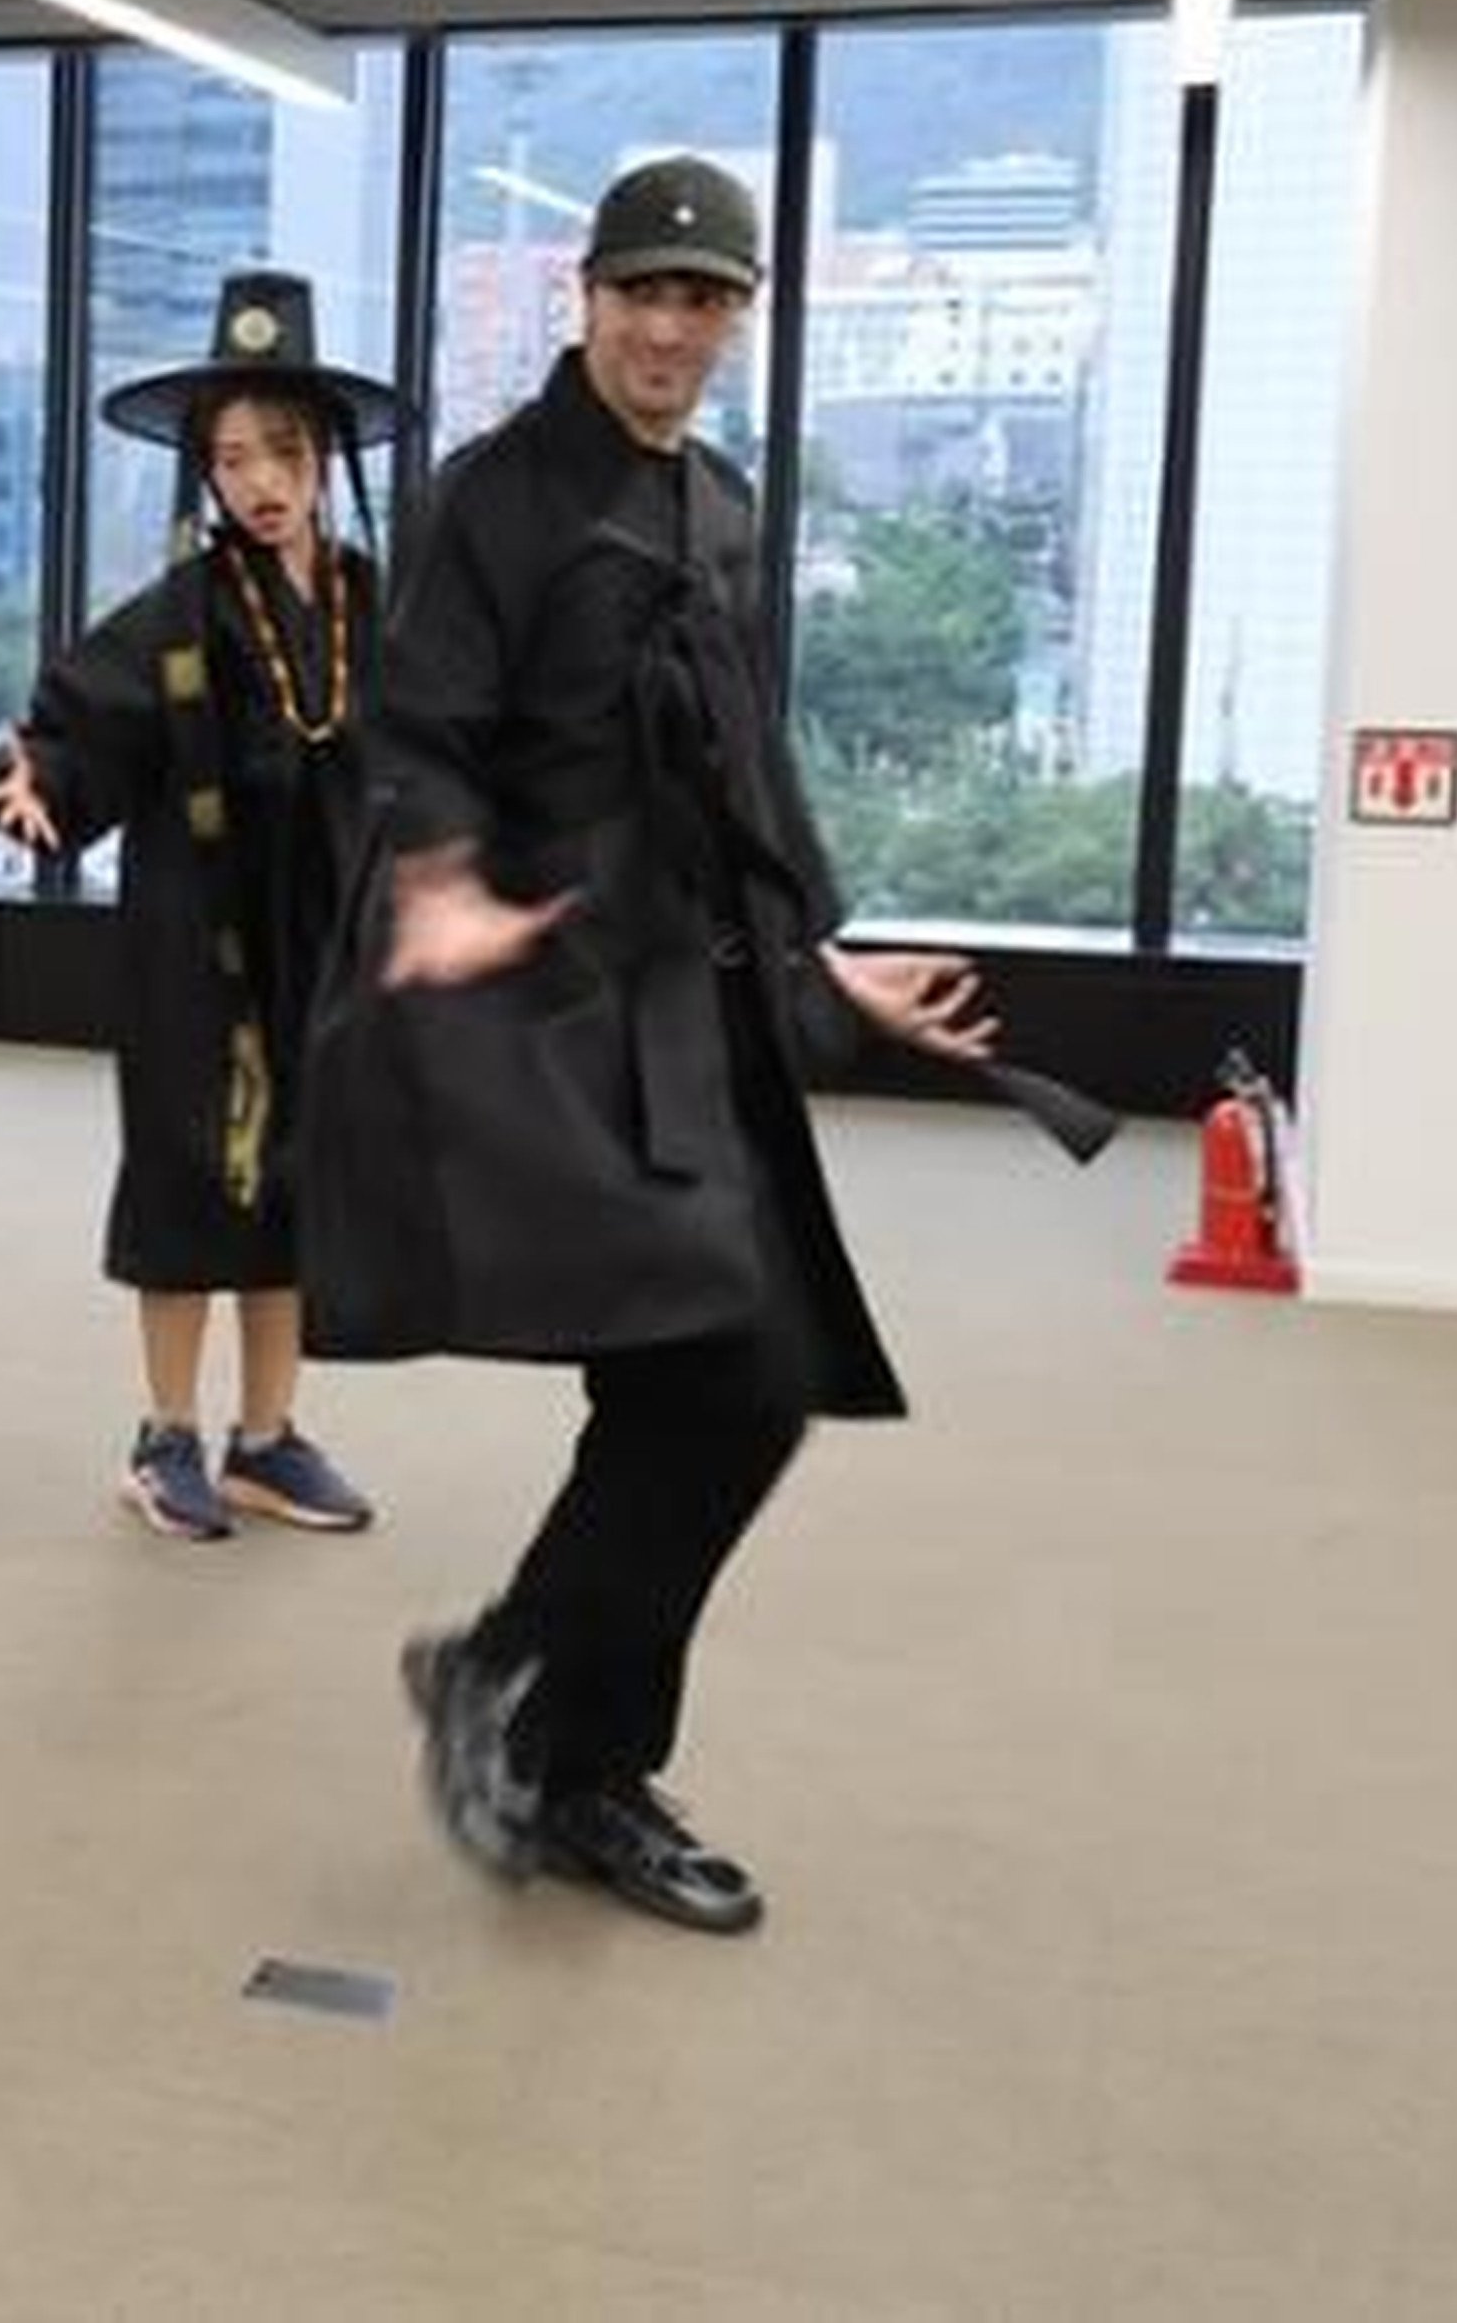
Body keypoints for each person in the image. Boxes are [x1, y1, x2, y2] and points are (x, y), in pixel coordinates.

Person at [298, 156, 1007, 1937]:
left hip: (701, 1006)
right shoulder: (496, 501)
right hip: (555, 1012)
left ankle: (556, 1734)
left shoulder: (724, 502)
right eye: (643, 294)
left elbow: (742, 760)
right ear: (586, 297)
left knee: (728, 1385)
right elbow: (413, 732)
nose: (671, 329)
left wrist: (828, 960)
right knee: (723, 1376)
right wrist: (444, 881)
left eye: (706, 301)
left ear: (740, 319)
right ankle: (542, 1704)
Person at [0, 271, 402, 1543]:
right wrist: (32, 781)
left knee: (296, 1190)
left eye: (281, 450)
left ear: (323, 454)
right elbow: (69, 732)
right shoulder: (179, 616)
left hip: (322, 946)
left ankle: (266, 1438)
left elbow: (446, 750)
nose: (258, 480)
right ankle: (163, 1434)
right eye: (229, 458)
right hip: (195, 946)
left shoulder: (372, 601)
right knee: (184, 1181)